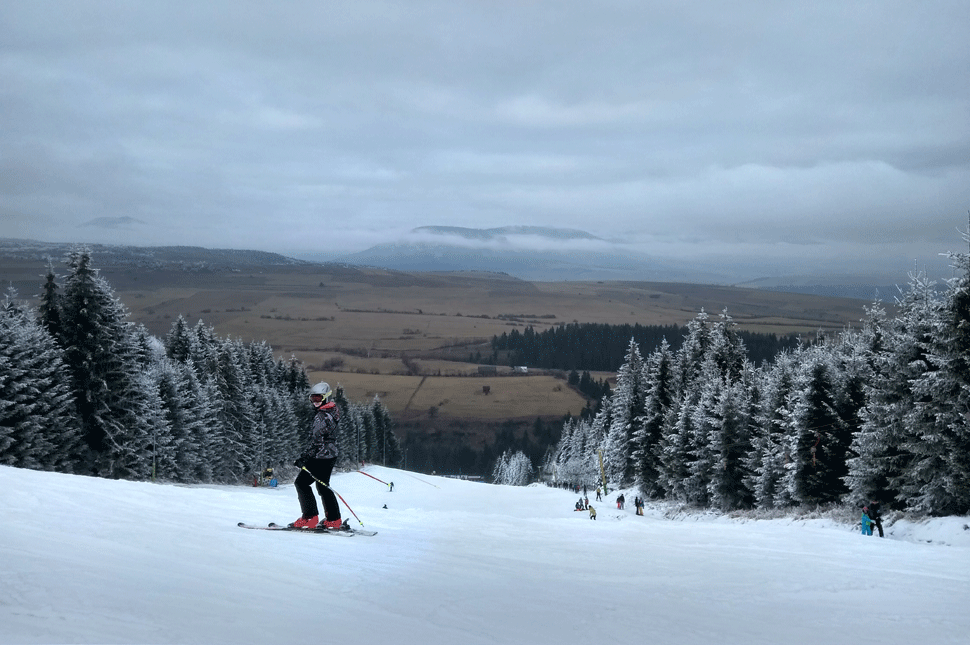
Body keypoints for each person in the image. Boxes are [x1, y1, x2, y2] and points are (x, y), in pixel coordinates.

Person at [292, 382, 342, 530]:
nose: (315, 402)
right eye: (312, 399)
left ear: (326, 397)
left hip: (320, 457)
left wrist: (304, 458)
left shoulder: (321, 417)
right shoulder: (332, 411)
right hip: (330, 455)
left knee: (301, 483)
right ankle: (334, 519)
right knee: (323, 486)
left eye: (318, 398)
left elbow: (317, 442)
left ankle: (309, 517)